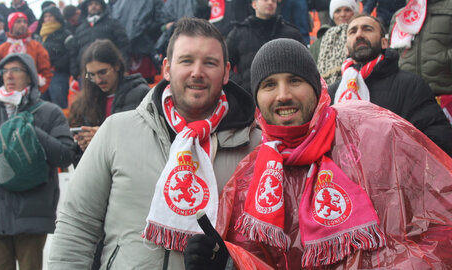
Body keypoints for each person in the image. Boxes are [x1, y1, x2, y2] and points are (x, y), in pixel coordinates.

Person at [184, 38, 452, 270]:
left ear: (317, 85)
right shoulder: (250, 179)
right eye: (269, 85)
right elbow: (254, 259)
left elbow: (442, 220)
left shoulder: (376, 132)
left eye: (295, 80)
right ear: (257, 98)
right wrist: (226, 263)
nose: (283, 95)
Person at [48, 17, 260, 269]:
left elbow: (265, 248)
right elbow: (77, 226)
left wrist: (229, 265)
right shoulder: (116, 131)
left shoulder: (255, 146)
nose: (197, 72)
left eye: (209, 63)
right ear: (167, 68)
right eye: (186, 60)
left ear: (226, 72)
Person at [0, 53, 75, 270]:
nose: (9, 75)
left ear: (29, 77)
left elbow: (66, 155)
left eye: (16, 70)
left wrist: (32, 130)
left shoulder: (49, 112)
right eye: (4, 71)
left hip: (33, 210)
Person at [329, 14, 452, 156]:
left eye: (367, 29)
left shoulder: (410, 84)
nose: (359, 35)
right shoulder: (334, 92)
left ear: (384, 43)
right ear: (346, 48)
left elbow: (438, 136)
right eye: (353, 31)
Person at [68, 39, 150, 162]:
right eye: (92, 75)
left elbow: (145, 141)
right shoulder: (85, 103)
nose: (98, 80)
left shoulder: (140, 94)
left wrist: (104, 138)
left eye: (102, 72)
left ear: (117, 65)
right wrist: (85, 147)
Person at [390, 0, 452, 124]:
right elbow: (394, 54)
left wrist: (444, 60)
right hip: (410, 99)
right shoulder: (400, 15)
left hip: (446, 94)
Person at [226, 0, 303, 94]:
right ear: (254, 4)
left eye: (274, 0)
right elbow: (224, 67)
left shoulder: (291, 33)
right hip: (250, 98)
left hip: (285, 95)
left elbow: (306, 66)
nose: (270, 2)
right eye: (265, 0)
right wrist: (243, 85)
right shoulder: (238, 34)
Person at [0, 12, 53, 94]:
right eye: (18, 22)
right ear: (11, 25)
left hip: (32, 93)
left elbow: (46, 71)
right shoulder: (2, 48)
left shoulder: (36, 46)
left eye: (25, 22)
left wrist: (38, 91)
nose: (22, 24)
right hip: (6, 92)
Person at [69, 0, 129, 78]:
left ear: (102, 7)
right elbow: (74, 51)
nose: (93, 6)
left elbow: (123, 46)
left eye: (96, 4)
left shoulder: (113, 24)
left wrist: (124, 67)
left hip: (109, 70)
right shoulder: (80, 29)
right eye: (90, 4)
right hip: (86, 73)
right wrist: (75, 72)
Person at [312, 0, 359, 85]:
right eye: (337, 11)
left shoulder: (361, 38)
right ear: (332, 15)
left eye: (347, 10)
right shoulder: (320, 42)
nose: (342, 14)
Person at [35, 6, 71, 109]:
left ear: (57, 17)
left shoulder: (65, 33)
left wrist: (57, 65)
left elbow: (70, 53)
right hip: (43, 76)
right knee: (43, 106)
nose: (48, 18)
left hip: (58, 74)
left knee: (59, 104)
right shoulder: (40, 36)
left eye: (50, 15)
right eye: (45, 16)